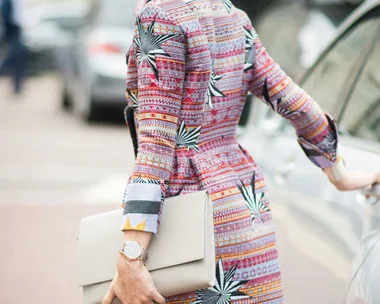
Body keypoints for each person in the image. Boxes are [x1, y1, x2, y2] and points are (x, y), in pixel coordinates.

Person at [103, 1, 380, 303]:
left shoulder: (161, 17)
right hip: (246, 210)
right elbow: (295, 103)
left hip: (191, 225)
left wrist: (131, 256)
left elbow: (156, 150)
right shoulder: (232, 16)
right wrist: (339, 174)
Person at [0, 0, 28, 95]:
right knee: (14, 58)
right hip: (12, 30)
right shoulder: (7, 2)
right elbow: (5, 18)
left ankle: (17, 86)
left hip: (15, 30)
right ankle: (17, 86)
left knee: (18, 59)